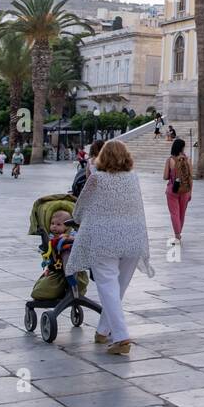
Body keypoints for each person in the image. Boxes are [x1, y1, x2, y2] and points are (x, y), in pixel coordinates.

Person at [67, 139, 154, 356]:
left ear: (102, 157)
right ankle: (103, 330)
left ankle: (122, 336)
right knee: (117, 288)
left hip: (104, 240)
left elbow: (81, 207)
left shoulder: (97, 178)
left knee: (108, 287)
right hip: (133, 238)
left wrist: (76, 218)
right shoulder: (133, 178)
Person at [164, 137, 192, 245]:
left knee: (174, 213)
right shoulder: (187, 159)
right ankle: (179, 233)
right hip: (185, 190)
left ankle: (177, 236)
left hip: (172, 190)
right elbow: (190, 178)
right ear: (182, 148)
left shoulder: (170, 160)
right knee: (182, 213)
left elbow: (165, 176)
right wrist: (190, 192)